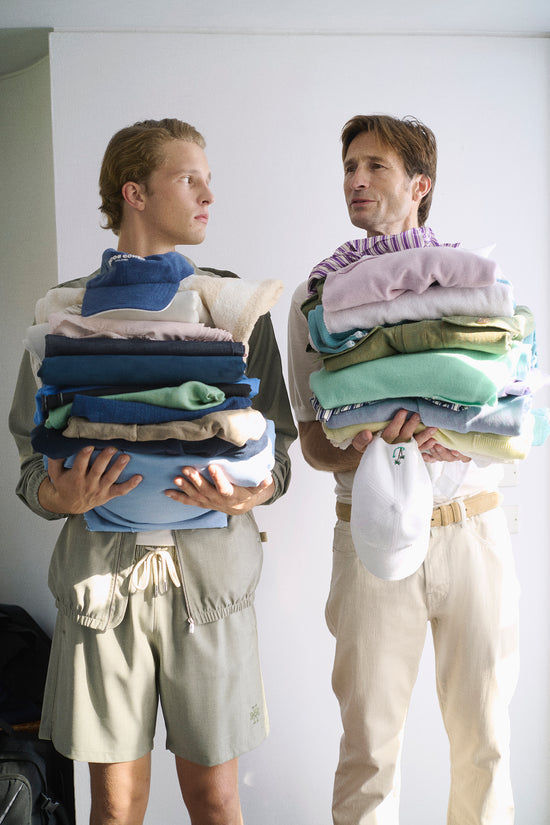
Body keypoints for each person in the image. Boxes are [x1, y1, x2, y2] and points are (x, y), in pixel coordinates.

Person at [10, 118, 296, 825]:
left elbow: (279, 446)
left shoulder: (236, 310)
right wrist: (58, 491)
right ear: (135, 193)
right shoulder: (64, 317)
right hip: (101, 584)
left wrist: (254, 488)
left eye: (208, 179)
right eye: (188, 178)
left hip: (211, 587)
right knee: (112, 805)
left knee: (216, 798)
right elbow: (28, 454)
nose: (207, 195)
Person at [287, 114, 520, 823]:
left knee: (484, 742)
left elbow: (515, 413)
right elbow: (311, 438)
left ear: (420, 185)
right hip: (369, 536)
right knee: (369, 747)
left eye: (375, 167)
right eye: (350, 168)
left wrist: (466, 439)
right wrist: (354, 445)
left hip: (473, 530)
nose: (356, 181)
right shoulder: (316, 299)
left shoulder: (476, 288)